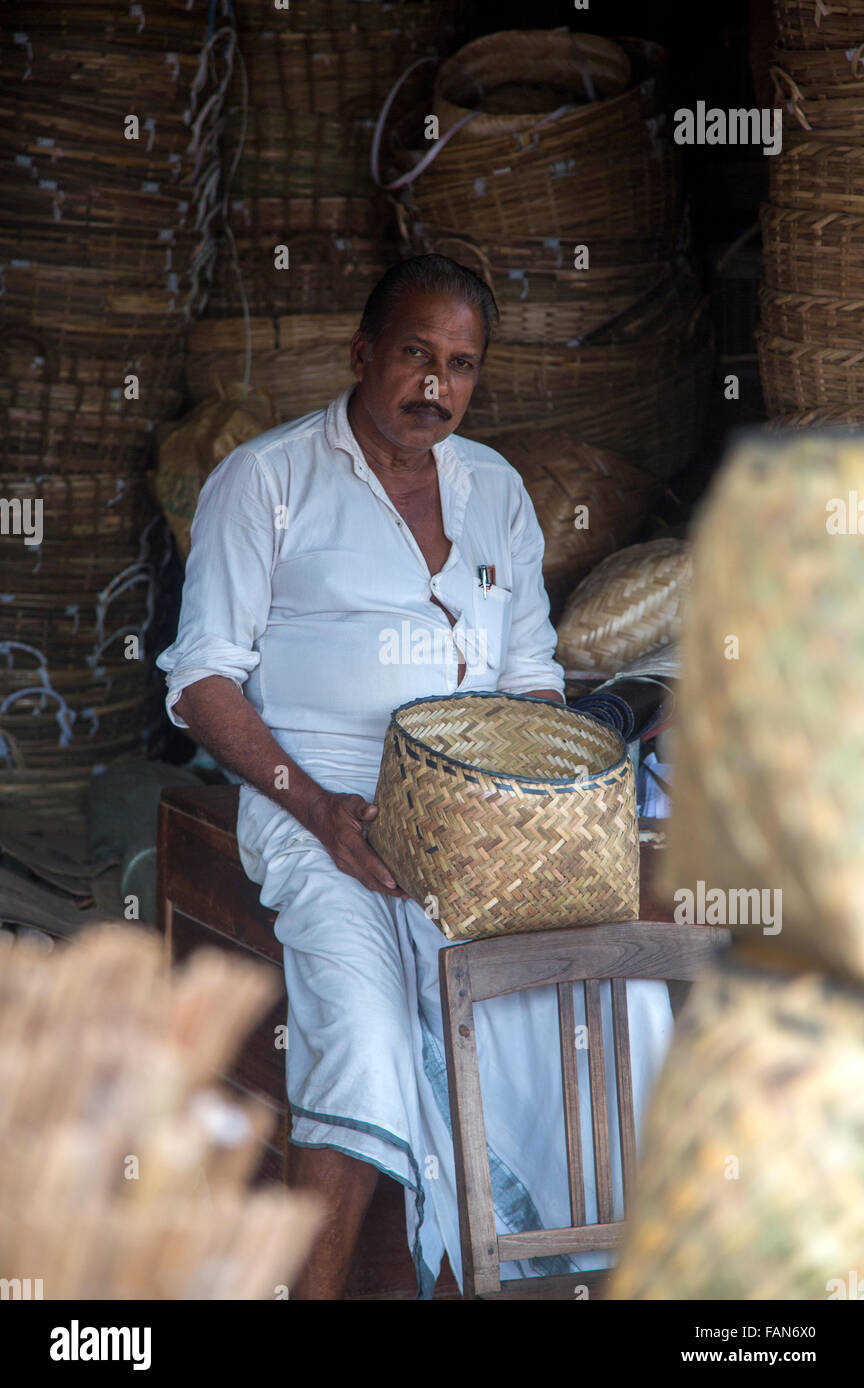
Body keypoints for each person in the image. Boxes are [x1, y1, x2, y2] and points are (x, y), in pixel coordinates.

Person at [157, 255, 673, 1299]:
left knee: (609, 1001)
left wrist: (540, 811)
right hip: (317, 801)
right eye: (414, 354)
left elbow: (529, 685)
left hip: (479, 814)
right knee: (364, 1031)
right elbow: (198, 681)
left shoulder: (494, 491)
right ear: (361, 354)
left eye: (460, 365)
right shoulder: (266, 479)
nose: (434, 385)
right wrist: (317, 808)